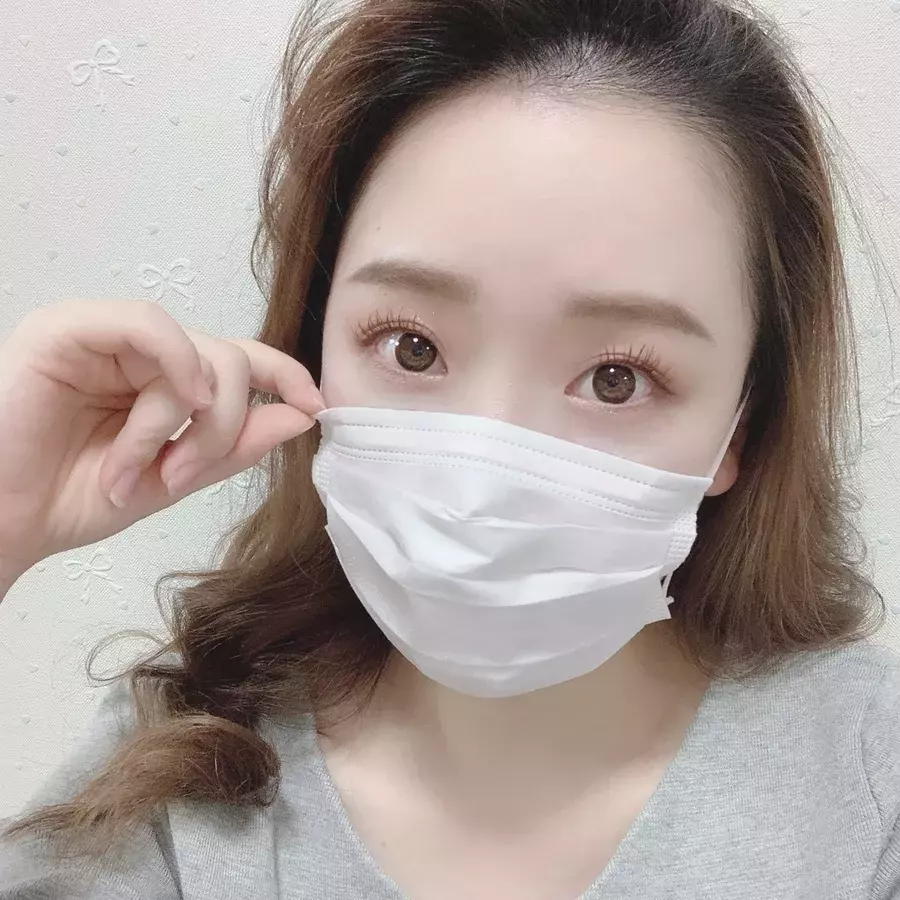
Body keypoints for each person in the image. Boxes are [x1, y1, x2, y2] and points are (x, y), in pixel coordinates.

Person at [1, 0, 899, 896]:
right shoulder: (187, 761)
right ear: (314, 347)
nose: (482, 481)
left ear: (739, 426)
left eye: (617, 378)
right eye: (413, 347)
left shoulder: (867, 780)